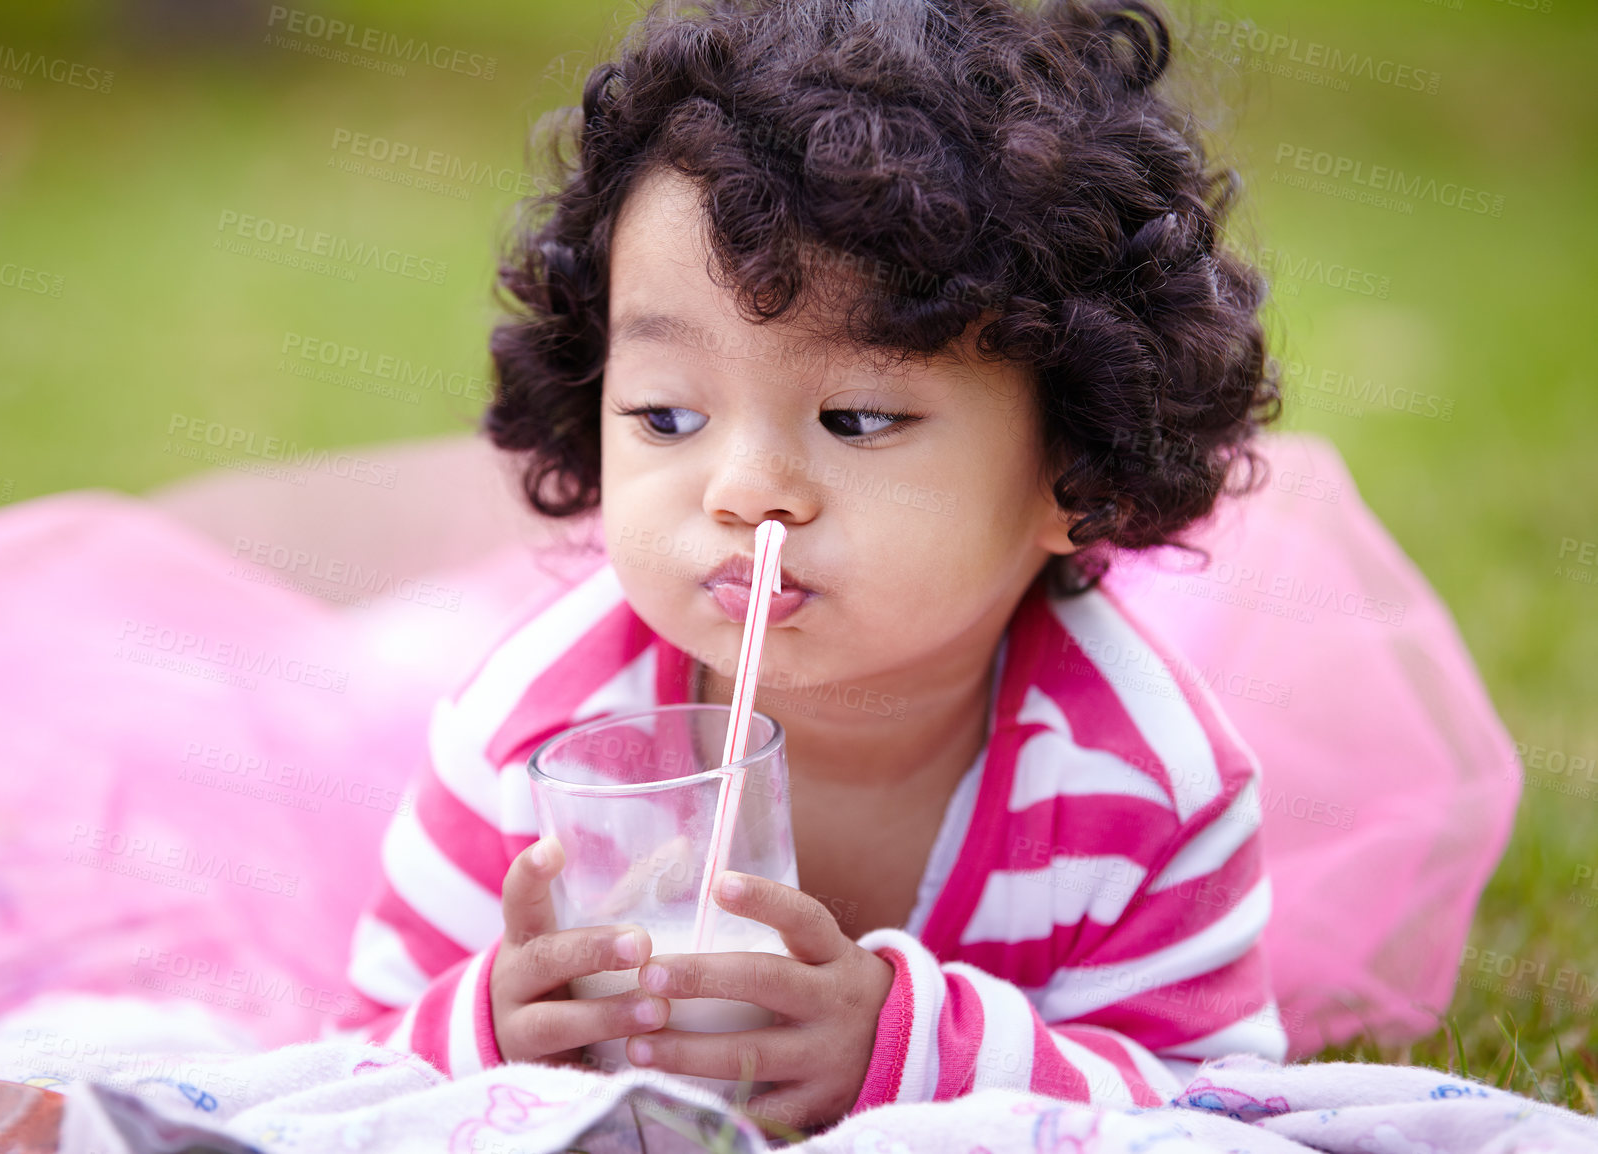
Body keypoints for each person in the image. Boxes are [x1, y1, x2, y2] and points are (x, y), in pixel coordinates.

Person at [340, 0, 1286, 1132]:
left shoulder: (1147, 784)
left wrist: (903, 1047)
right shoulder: (528, 747)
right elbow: (356, 1069)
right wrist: (496, 1025)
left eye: (859, 414)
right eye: (666, 412)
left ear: (1068, 465)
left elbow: (1212, 1101)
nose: (746, 487)